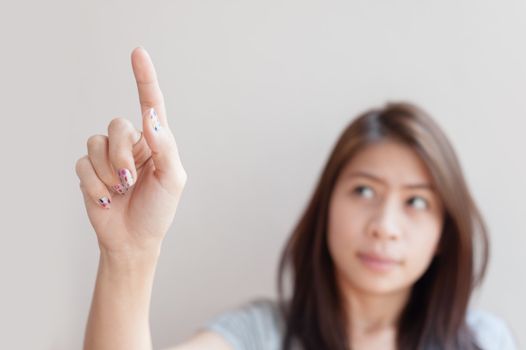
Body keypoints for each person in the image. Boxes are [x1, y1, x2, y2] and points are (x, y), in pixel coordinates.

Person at [75, 47, 517, 350]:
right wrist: (130, 254)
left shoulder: (485, 340)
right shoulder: (260, 334)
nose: (385, 225)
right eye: (364, 190)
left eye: (416, 202)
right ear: (326, 207)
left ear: (445, 231)